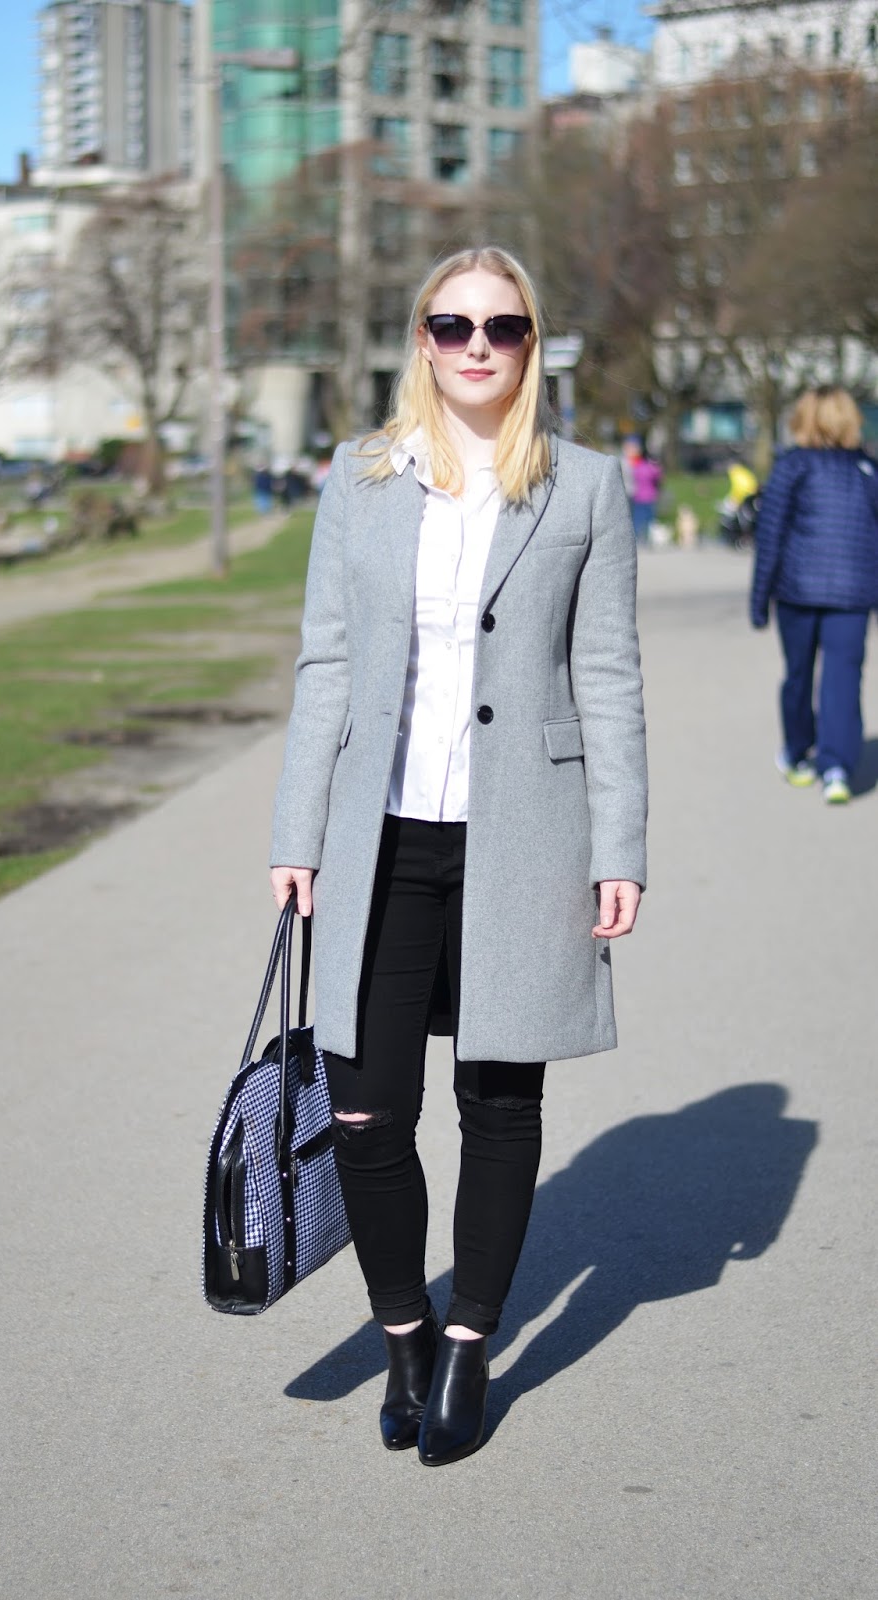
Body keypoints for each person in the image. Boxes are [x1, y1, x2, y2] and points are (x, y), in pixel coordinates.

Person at [268, 246, 648, 1466]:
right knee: (368, 1112)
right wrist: (296, 830)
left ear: (533, 343)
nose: (477, 345)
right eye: (451, 324)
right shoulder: (359, 477)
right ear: (420, 340)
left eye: (503, 326)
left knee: (499, 1100)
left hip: (523, 831)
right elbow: (326, 662)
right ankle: (406, 1335)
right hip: (378, 838)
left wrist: (619, 844)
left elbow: (607, 677)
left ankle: (475, 1342)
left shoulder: (582, 487)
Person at [750, 386, 878, 805]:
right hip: (853, 595)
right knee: (843, 677)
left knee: (799, 675)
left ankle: (797, 752)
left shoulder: (792, 466)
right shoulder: (867, 469)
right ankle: (837, 766)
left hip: (797, 592)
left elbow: (770, 536)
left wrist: (759, 599)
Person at [628, 444, 663, 545]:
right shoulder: (652, 468)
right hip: (650, 496)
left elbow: (632, 478)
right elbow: (659, 478)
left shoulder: (637, 467)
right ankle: (649, 538)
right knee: (650, 519)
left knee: (637, 518)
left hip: (638, 496)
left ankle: (637, 537)